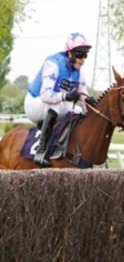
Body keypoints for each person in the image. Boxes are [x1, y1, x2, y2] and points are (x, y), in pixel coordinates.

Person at [25, 33, 95, 166]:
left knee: (79, 111)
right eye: (80, 54)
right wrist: (65, 96)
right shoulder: (54, 64)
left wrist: (91, 104)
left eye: (85, 55)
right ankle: (41, 150)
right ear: (70, 53)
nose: (83, 59)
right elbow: (45, 94)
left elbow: (83, 97)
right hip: (34, 104)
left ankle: (63, 146)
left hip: (51, 106)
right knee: (58, 103)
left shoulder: (78, 72)